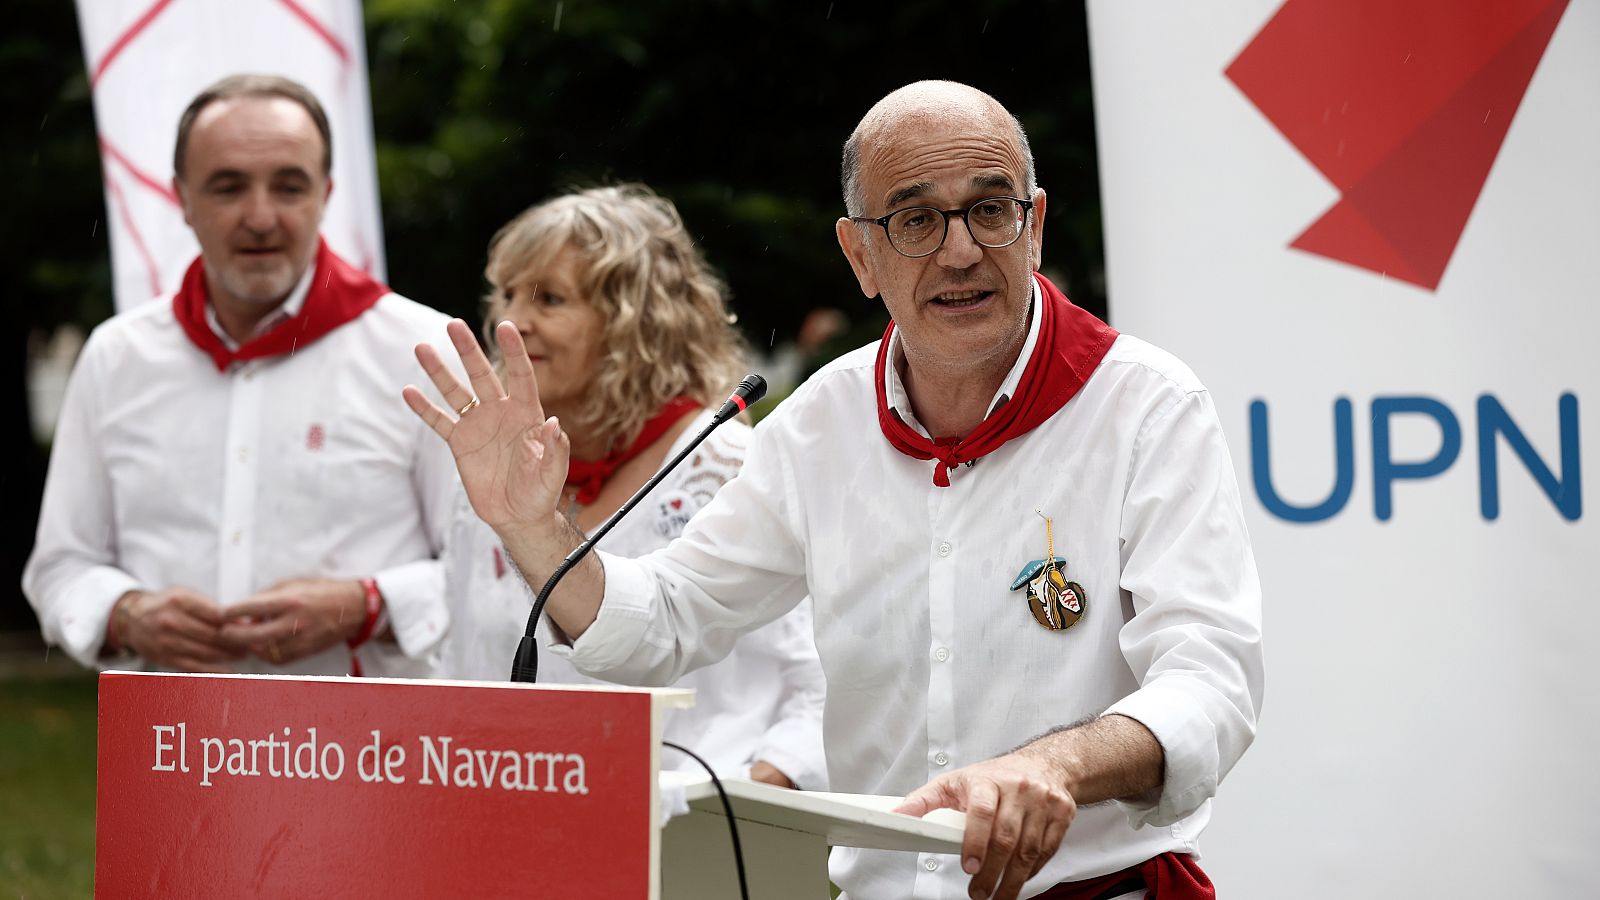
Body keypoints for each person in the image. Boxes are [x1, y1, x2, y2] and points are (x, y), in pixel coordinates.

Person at [405, 81, 1262, 900]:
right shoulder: (820, 422)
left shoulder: (1148, 405)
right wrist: (531, 526)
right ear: (861, 256)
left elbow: (1212, 681)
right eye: (916, 219)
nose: (960, 250)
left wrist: (1055, 765)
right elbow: (663, 620)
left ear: (1033, 225)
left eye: (989, 209)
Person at [24, 74, 461, 677]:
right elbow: (59, 566)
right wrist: (125, 615)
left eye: (289, 187)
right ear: (181, 199)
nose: (260, 217)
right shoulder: (117, 358)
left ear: (327, 194)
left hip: (366, 734)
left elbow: (496, 571)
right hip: (172, 731)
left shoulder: (424, 352)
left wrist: (369, 606)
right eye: (228, 187)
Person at [435, 184, 826, 790]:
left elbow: (824, 684)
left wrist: (740, 809)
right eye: (506, 293)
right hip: (511, 819)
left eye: (549, 298)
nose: (513, 321)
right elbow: (462, 666)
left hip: (699, 832)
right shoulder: (490, 468)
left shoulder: (725, 464)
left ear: (634, 322)